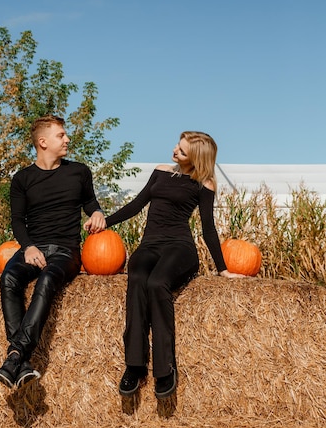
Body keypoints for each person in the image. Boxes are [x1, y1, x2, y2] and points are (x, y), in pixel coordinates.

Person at [86, 131, 245, 400]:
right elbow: (135, 206)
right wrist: (104, 222)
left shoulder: (203, 183)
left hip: (179, 248)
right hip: (149, 246)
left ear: (196, 158)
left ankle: (165, 367)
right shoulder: (160, 172)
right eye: (177, 146)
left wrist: (223, 269)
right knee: (137, 278)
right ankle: (134, 365)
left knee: (158, 283)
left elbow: (208, 229)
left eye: (182, 151)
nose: (174, 151)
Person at [0, 114, 106, 389]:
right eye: (61, 135)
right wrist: (29, 247)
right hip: (33, 248)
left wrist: (98, 213)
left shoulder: (79, 171)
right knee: (8, 279)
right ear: (43, 142)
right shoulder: (22, 179)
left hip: (66, 252)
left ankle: (16, 354)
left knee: (46, 280)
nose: (67, 139)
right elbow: (18, 221)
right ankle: (22, 363)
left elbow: (91, 203)